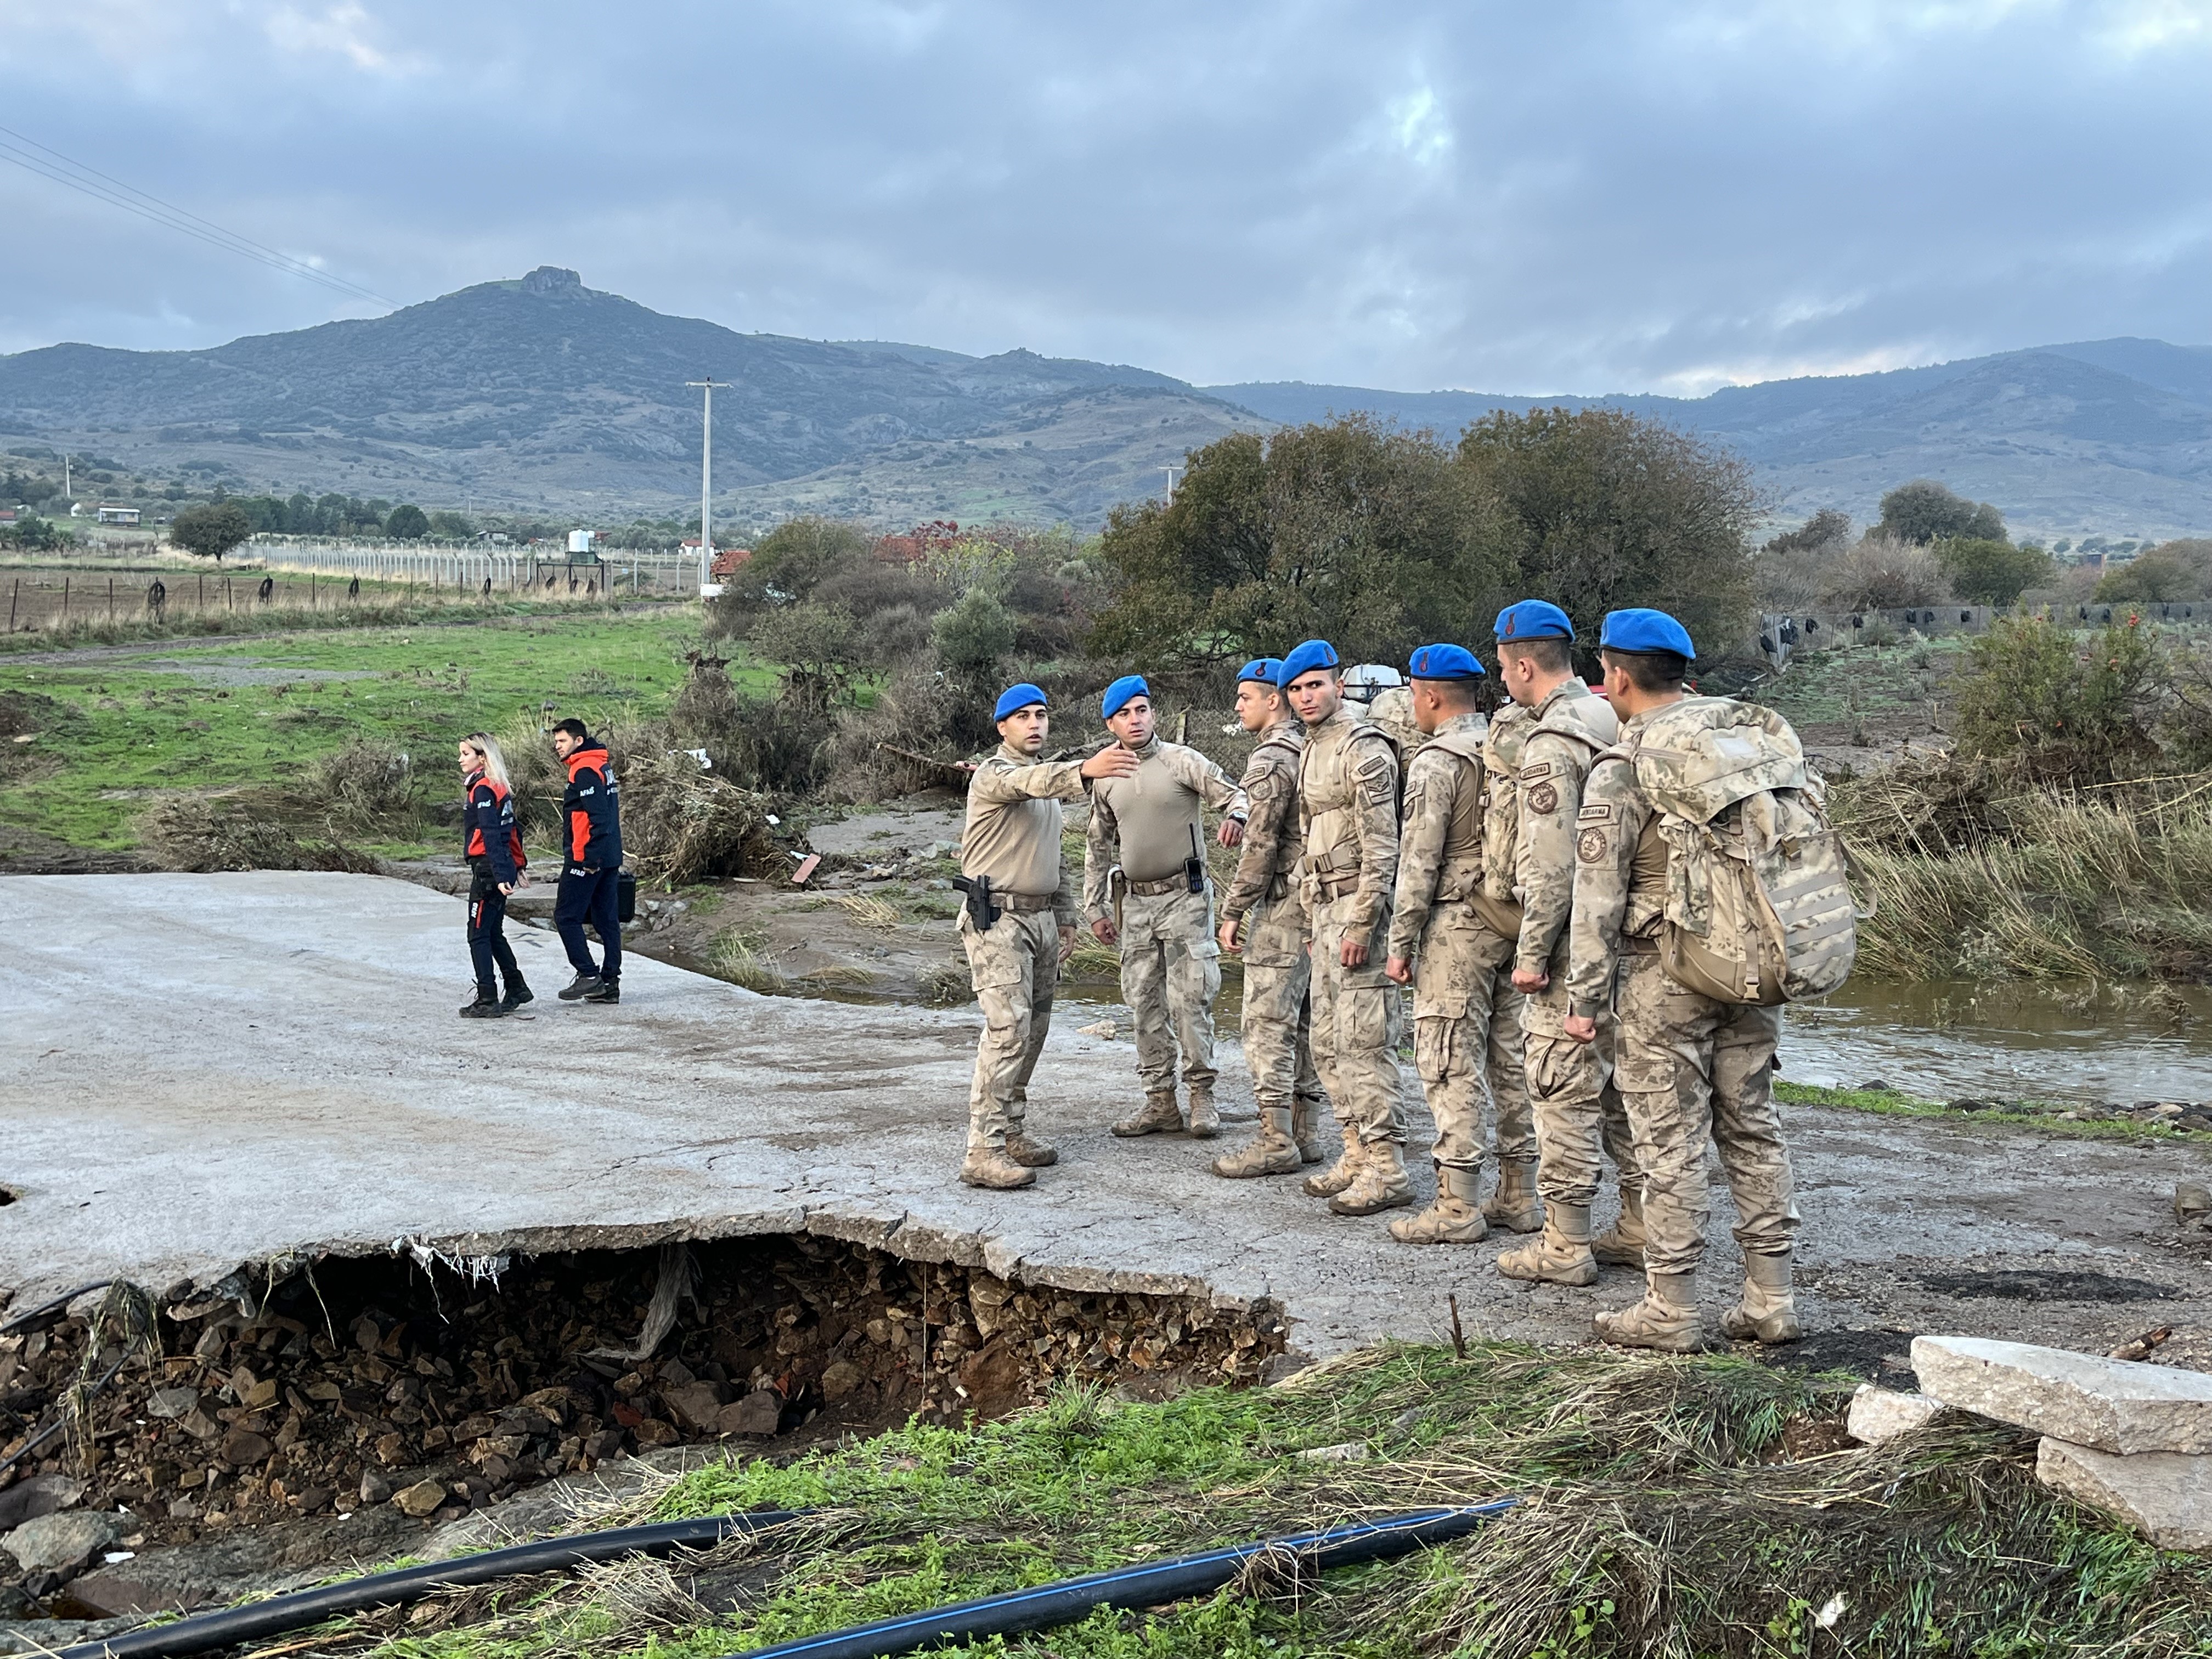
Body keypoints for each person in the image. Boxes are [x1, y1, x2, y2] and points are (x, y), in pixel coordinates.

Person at [1565, 608, 1803, 1351]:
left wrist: (1583, 998)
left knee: (1668, 1142)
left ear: (1617, 677)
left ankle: (1670, 1308)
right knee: (1752, 1125)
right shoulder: (1749, 743)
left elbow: (1597, 895)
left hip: (1661, 972)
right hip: (1751, 963)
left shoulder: (1626, 764)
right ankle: (1771, 1299)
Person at [1485, 601, 1640, 1287]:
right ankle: (1638, 1223)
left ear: (1523, 665)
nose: (1503, 680)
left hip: (1572, 946)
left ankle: (1565, 1243)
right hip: (1626, 941)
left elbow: (1551, 869)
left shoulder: (1551, 742)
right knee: (1621, 1093)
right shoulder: (1611, 717)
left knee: (1561, 1091)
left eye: (1503, 667)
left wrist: (1529, 956)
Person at [957, 683, 1141, 1189]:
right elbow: (1029, 782)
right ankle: (983, 1150)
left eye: (1041, 715)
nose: (1035, 724)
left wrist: (1065, 916)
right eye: (1023, 717)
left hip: (1039, 919)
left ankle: (1011, 1131)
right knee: (1008, 1030)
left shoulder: (1046, 792)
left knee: (1033, 1032)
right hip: (997, 918)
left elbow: (1053, 856)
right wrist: (1086, 770)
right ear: (1002, 727)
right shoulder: (995, 774)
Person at [1379, 644, 1522, 1243]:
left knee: (1447, 1059)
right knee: (1511, 1058)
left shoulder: (1438, 761)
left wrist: (1401, 941)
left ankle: (1457, 1204)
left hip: (1457, 925)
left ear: (1431, 695)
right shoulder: (1509, 746)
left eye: (1414, 694)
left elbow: (1419, 860)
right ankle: (1519, 1194)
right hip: (1511, 918)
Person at [1082, 675, 1249, 1138]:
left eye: (1142, 710)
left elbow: (1236, 795)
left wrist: (1236, 817)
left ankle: (1202, 1097)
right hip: (1134, 904)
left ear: (1153, 713)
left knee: (1191, 1000)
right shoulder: (1106, 775)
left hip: (1185, 900)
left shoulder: (1182, 760)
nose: (1135, 720)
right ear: (1111, 724)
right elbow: (1098, 844)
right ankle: (1159, 1102)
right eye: (1124, 714)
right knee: (1143, 1004)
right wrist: (1095, 908)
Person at [1281, 639, 1409, 1216]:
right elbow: (1312, 837)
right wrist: (1314, 916)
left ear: (1338, 684)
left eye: (1316, 684)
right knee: (1328, 1042)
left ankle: (1388, 1166)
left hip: (1361, 910)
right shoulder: (1313, 746)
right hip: (1326, 908)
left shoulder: (1363, 746)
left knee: (1365, 1042)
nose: (1306, 696)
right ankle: (1355, 1152)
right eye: (1296, 689)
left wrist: (1363, 922)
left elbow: (1383, 845)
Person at [1213, 658, 1330, 1177]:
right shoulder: (1310, 747)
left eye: (1246, 697)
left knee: (1265, 1023)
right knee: (1304, 1020)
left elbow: (1259, 845)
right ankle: (1306, 1133)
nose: (1239, 707)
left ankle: (1275, 1139)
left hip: (1283, 902)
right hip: (1316, 902)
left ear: (1273, 700)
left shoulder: (1270, 758)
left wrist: (1234, 909)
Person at [458, 731, 531, 1018]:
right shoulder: (499, 786)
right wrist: (518, 866)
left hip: (489, 870)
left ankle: (487, 998)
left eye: (466, 754)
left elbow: (492, 833)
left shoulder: (484, 789)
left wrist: (502, 875)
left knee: (477, 934)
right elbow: (513, 830)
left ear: (482, 757)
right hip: (498, 867)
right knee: (492, 931)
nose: (460, 759)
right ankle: (516, 987)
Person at [550, 719, 623, 1005]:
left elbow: (599, 817)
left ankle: (588, 975)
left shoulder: (584, 769)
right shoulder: (600, 764)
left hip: (587, 858)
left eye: (562, 741)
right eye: (556, 741)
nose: (557, 746)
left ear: (578, 741)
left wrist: (590, 858)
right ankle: (609, 985)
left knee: (566, 917)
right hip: (610, 855)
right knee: (607, 920)